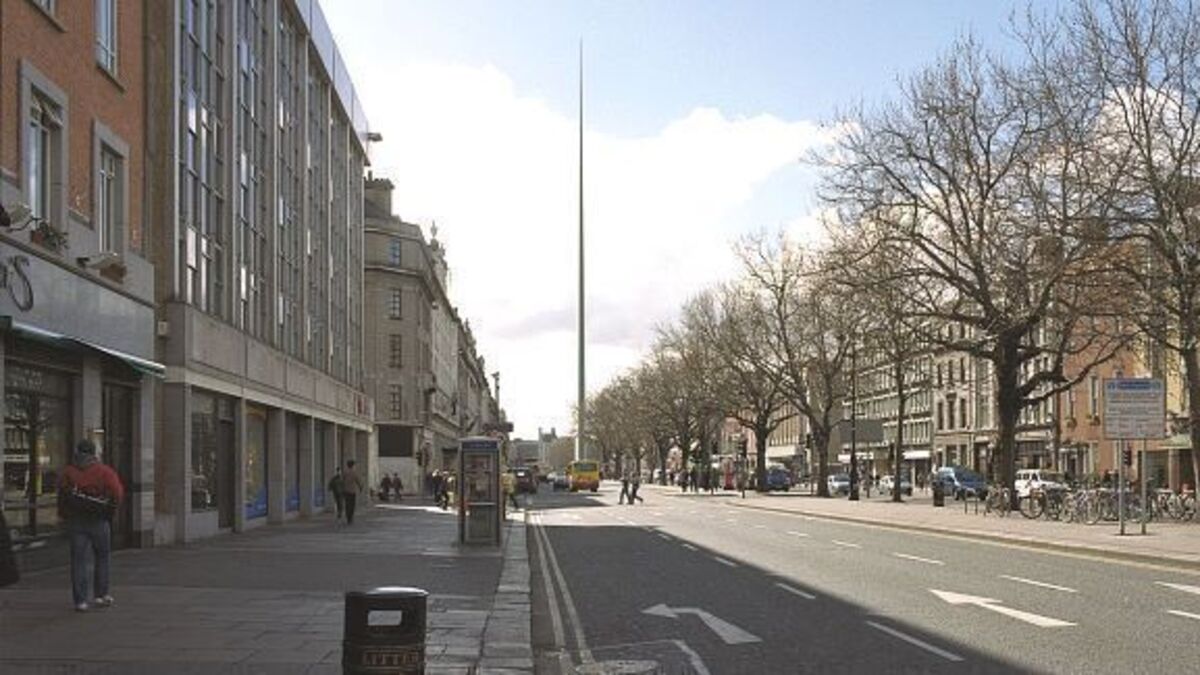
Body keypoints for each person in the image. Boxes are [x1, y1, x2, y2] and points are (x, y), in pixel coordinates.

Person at [58, 439, 124, 612]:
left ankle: (80, 601)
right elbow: (117, 492)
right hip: (98, 520)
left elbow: (62, 494)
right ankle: (101, 595)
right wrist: (110, 509)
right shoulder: (104, 471)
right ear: (94, 453)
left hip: (76, 521)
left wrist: (65, 515)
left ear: (77, 452)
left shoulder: (69, 471)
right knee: (102, 557)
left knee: (78, 561)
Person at [341, 460, 366, 525]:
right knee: (352, 505)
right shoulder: (354, 473)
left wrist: (342, 489)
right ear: (352, 465)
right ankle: (350, 517)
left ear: (347, 465)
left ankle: (348, 517)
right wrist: (360, 487)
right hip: (352, 491)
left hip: (346, 491)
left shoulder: (344, 472)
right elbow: (358, 481)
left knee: (347, 504)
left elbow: (342, 481)